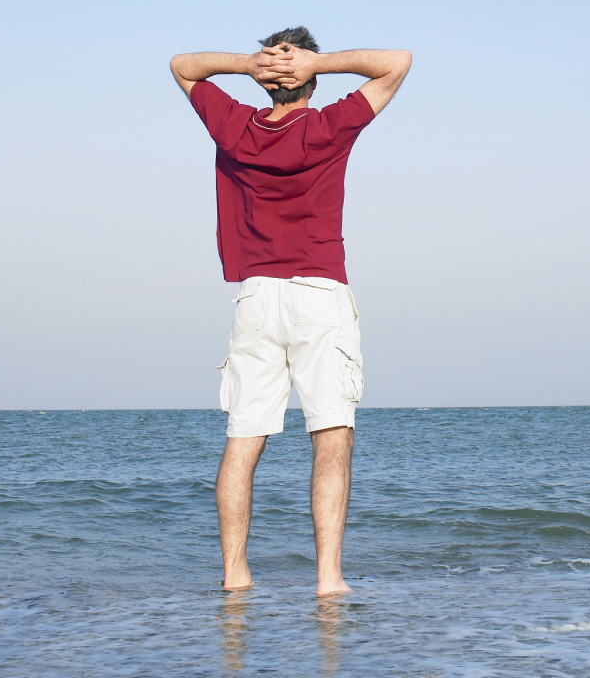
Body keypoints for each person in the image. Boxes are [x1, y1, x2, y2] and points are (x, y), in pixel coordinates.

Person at [169, 29, 412, 595]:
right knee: (331, 434)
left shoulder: (234, 125)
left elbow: (182, 65)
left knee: (243, 437)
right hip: (319, 292)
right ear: (310, 79)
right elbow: (396, 62)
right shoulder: (328, 125)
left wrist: (248, 64)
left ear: (267, 82)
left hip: (257, 297)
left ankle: (236, 575)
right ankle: (328, 579)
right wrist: (314, 61)